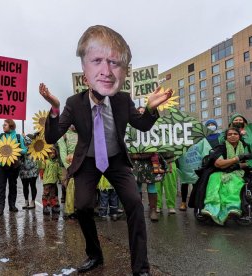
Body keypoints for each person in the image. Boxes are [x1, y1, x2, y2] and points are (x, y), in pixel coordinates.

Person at [39, 25, 172, 275]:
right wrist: (55, 109)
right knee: (82, 208)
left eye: (112, 66)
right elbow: (51, 135)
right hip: (87, 162)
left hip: (116, 161)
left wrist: (152, 108)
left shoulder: (122, 100)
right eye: (98, 64)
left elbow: (142, 125)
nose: (106, 73)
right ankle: (95, 255)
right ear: (87, 76)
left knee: (134, 204)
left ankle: (141, 268)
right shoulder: (74, 104)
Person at [201, 127, 252, 225]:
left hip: (239, 173)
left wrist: (240, 165)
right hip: (219, 171)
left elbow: (248, 162)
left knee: (234, 181)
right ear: (226, 137)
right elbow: (219, 164)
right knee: (214, 178)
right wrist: (237, 158)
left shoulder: (246, 147)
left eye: (235, 134)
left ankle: (232, 207)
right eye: (230, 134)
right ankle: (211, 208)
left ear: (239, 136)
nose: (232, 136)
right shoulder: (221, 147)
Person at [0, 119, 27, 216]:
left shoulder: (18, 137)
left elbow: (25, 150)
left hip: (14, 166)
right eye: (3, 125)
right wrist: (2, 151)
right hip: (1, 165)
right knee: (0, 187)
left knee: (13, 186)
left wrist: (15, 150)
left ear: (11, 126)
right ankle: (0, 208)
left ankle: (12, 205)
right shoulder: (0, 136)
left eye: (5, 125)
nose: (3, 126)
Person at [39, 147, 62, 215]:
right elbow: (41, 168)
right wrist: (42, 176)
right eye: (51, 153)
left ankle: (53, 206)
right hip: (47, 181)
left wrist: (61, 178)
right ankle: (45, 206)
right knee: (46, 194)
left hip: (54, 181)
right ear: (48, 154)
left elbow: (59, 171)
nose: (52, 154)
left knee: (53, 194)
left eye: (54, 153)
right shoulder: (45, 161)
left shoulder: (56, 163)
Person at [19, 134, 39, 210]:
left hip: (33, 168)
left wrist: (24, 137)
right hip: (23, 169)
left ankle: (33, 202)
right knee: (25, 186)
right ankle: (26, 201)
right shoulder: (22, 147)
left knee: (32, 185)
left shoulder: (34, 147)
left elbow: (29, 141)